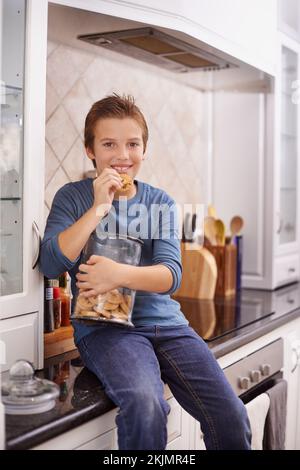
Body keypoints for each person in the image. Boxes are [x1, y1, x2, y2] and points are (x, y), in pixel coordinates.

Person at [40, 94, 251, 450]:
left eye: (132, 144)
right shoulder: (73, 198)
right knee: (146, 405)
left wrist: (117, 275)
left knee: (231, 415)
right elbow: (50, 263)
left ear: (144, 149)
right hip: (105, 332)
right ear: (90, 150)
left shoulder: (160, 202)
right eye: (109, 144)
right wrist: (99, 207)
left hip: (169, 327)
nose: (123, 156)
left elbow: (171, 275)